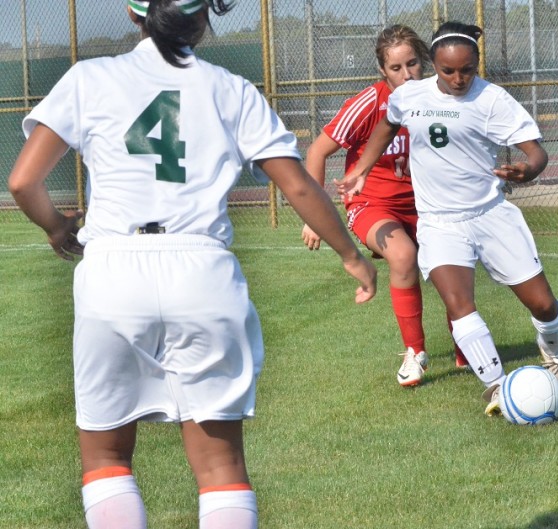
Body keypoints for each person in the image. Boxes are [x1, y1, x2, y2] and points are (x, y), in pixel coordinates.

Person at [7, 1, 376, 528]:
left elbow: (22, 181)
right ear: (204, 18)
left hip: (114, 268)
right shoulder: (232, 88)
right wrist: (350, 254)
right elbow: (297, 183)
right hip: (203, 270)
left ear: (135, 16)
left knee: (106, 460)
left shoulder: (90, 78)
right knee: (221, 467)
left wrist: (56, 226)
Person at [336, 21, 558, 416]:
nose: (459, 78)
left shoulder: (492, 100)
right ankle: (499, 388)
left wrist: (529, 169)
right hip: (440, 222)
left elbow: (537, 153)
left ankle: (556, 351)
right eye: (448, 70)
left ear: (477, 64)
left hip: (491, 215)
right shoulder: (411, 95)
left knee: (543, 305)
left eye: (467, 69)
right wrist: (361, 168)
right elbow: (387, 124)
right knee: (459, 304)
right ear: (434, 65)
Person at [301, 24, 467, 387]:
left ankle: (466, 344)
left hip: (427, 206)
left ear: (425, 62)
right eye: (396, 68)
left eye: (412, 64)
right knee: (404, 256)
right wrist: (312, 216)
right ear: (382, 70)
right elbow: (317, 150)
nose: (407, 75)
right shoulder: (370, 103)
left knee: (451, 267)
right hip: (372, 204)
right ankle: (415, 353)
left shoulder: (441, 101)